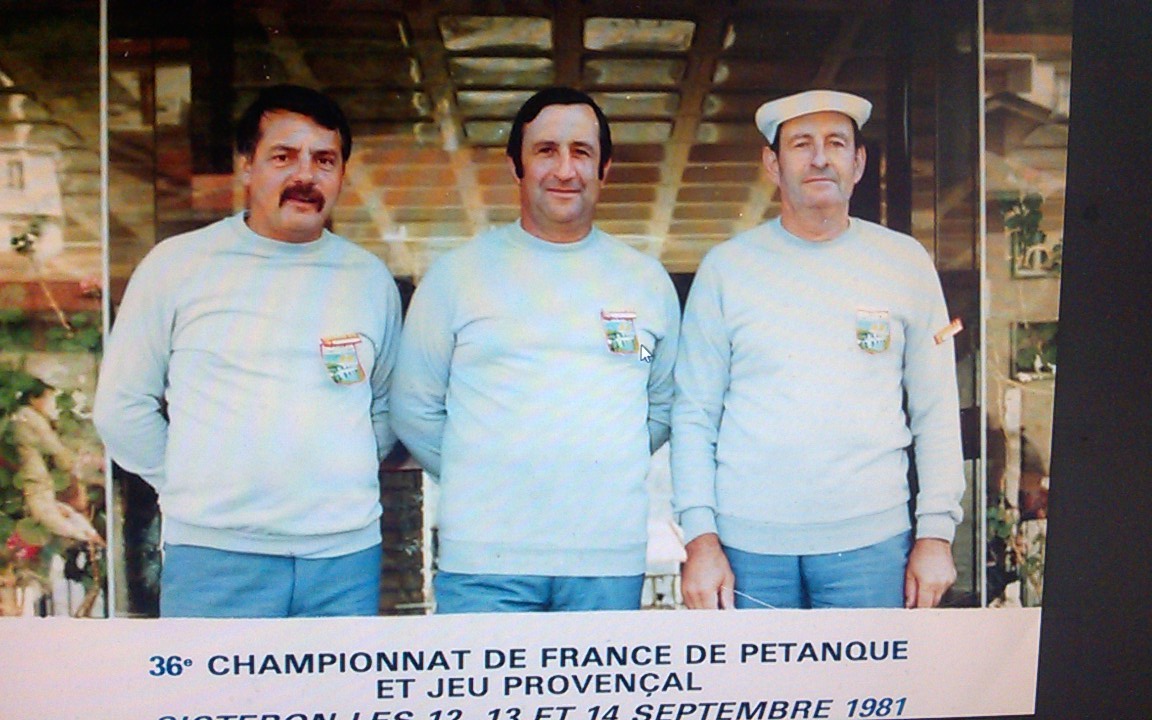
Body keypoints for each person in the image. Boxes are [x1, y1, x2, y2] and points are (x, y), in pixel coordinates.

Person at [93, 84, 402, 617]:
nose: (305, 175)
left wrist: (334, 475)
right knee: (214, 703)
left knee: (334, 703)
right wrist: (198, 483)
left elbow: (384, 407)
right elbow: (121, 409)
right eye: (283, 157)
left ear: (342, 175)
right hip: (215, 555)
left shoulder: (369, 278)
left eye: (324, 160)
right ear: (245, 166)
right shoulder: (179, 266)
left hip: (344, 559)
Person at [672, 90, 965, 610]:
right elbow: (693, 414)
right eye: (801, 143)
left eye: (836, 142)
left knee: (868, 694)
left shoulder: (904, 262)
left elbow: (936, 408)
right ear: (772, 163)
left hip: (873, 547)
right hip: (747, 550)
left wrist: (936, 533)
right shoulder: (726, 269)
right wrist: (700, 539)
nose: (820, 157)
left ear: (858, 162)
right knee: (757, 696)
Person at [391, 87, 680, 613]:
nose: (565, 169)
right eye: (546, 150)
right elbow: (414, 408)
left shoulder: (646, 282)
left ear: (605, 169)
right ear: (516, 167)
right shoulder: (457, 275)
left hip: (606, 561)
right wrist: (486, 471)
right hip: (484, 561)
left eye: (582, 152)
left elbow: (660, 408)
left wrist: (595, 467)